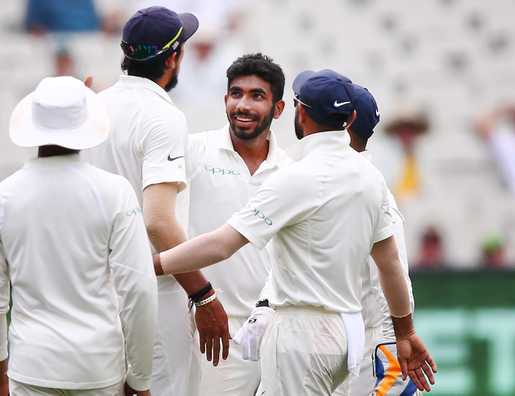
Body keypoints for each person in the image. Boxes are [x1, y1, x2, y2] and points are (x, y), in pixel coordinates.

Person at [153, 70, 437, 395]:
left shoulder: (296, 177)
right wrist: (406, 331)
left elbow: (221, 245)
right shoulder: (371, 179)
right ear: (350, 117)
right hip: (345, 335)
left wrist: (153, 264)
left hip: (301, 333)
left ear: (299, 113)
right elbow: (392, 267)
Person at [0, 76, 157, 396]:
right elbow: (139, 289)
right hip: (98, 368)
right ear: (85, 126)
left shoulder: (0, 198)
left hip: (32, 369)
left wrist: (0, 381)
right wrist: (139, 379)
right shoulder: (115, 193)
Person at [84, 7, 229, 396]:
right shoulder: (162, 116)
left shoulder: (93, 107)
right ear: (172, 58)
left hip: (95, 293)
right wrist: (204, 294)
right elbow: (158, 222)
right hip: (153, 294)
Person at [187, 53, 288, 396]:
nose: (242, 105)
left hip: (277, 341)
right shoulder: (193, 153)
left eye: (257, 96)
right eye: (236, 93)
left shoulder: (292, 174)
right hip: (213, 338)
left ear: (278, 109)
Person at [339, 79, 418, 395]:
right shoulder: (356, 180)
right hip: (350, 336)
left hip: (373, 339)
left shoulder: (370, 187)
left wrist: (396, 336)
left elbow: (390, 270)